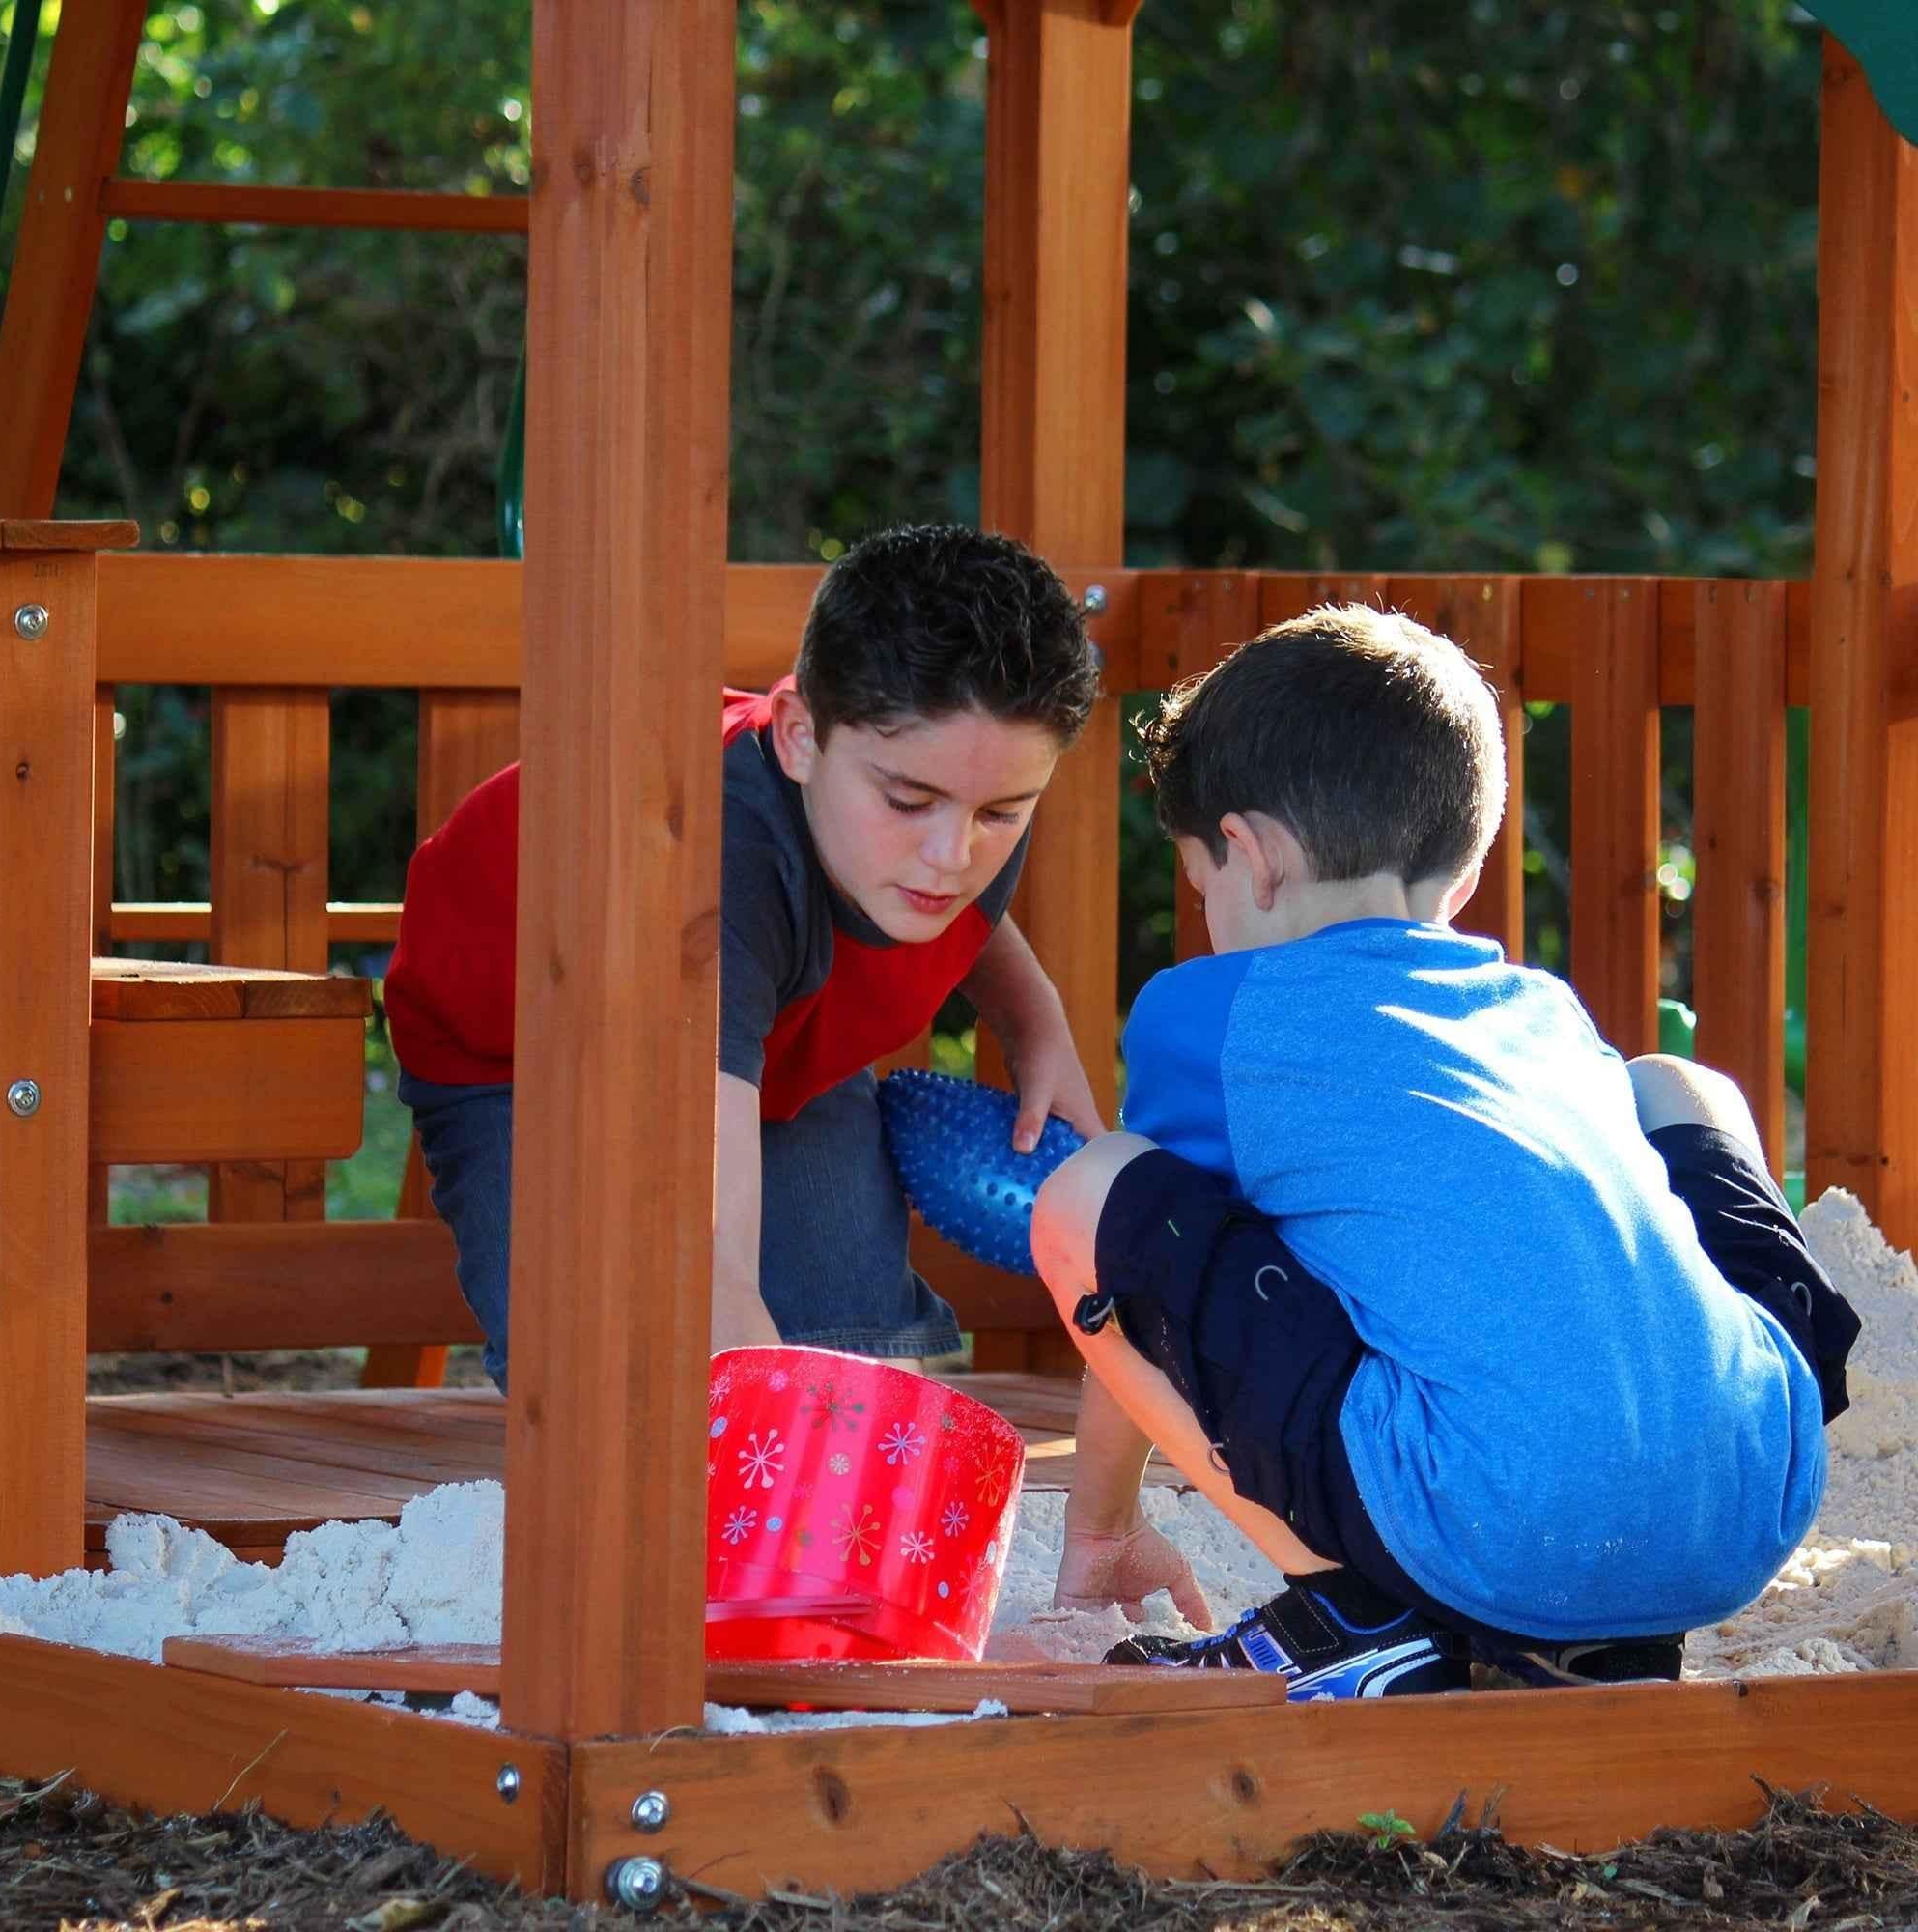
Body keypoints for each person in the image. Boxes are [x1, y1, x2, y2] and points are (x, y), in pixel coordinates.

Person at [1029, 604, 1860, 1698]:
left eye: (1202, 885)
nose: (1208, 915)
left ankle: (1351, 1604)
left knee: (1086, 1193)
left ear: (1251, 854)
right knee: (1672, 1083)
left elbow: (1145, 1266)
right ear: (1461, 875)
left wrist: (1101, 1528)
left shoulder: (1217, 1013)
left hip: (1493, 1522)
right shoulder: (1542, 1012)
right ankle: (1592, 1606)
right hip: (1743, 1497)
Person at [386, 524, 1107, 1388]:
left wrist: (1034, 1019)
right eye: (910, 801)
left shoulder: (960, 796)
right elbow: (712, 1260)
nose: (953, 855)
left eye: (1001, 814)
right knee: (613, 1368)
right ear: (800, 735)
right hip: (534, 1052)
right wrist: (770, 1429)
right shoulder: (710, 866)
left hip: (762, 1034)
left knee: (845, 1331)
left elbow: (973, 907)